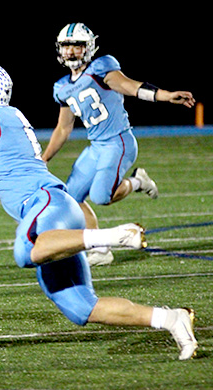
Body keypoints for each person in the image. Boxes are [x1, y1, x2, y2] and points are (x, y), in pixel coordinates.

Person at [0, 60, 198, 363]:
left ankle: (113, 236)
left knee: (26, 250)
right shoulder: (5, 119)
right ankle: (171, 319)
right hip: (54, 211)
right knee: (81, 308)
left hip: (46, 205)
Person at [42, 23, 196, 266]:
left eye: (77, 45)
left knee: (102, 197)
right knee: (71, 197)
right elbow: (64, 127)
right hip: (96, 147)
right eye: (67, 46)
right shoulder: (61, 87)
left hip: (118, 142)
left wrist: (165, 95)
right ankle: (101, 250)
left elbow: (129, 86)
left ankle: (137, 182)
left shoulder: (102, 68)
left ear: (89, 47)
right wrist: (45, 158)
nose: (71, 51)